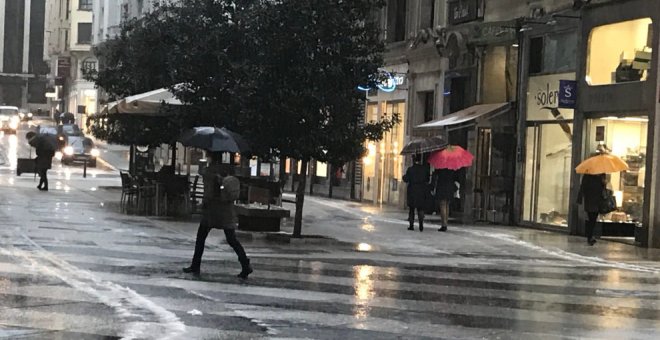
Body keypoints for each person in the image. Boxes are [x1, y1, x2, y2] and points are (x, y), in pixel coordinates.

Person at [183, 154, 253, 279]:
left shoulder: (211, 172)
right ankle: (245, 264)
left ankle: (195, 264)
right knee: (232, 239)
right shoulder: (227, 169)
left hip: (213, 209)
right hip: (226, 210)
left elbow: (209, 192)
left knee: (201, 238)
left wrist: (204, 202)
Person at [577, 173, 607, 246]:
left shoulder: (600, 175)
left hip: (594, 200)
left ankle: (590, 236)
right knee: (592, 219)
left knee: (592, 219)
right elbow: (583, 187)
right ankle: (590, 236)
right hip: (591, 200)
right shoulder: (589, 176)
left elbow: (583, 187)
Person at [403, 154, 430, 232]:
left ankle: (411, 225)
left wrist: (404, 177)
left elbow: (406, 179)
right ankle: (421, 225)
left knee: (411, 209)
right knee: (420, 208)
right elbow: (427, 180)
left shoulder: (410, 169)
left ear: (413, 161)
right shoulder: (424, 169)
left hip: (412, 190)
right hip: (421, 190)